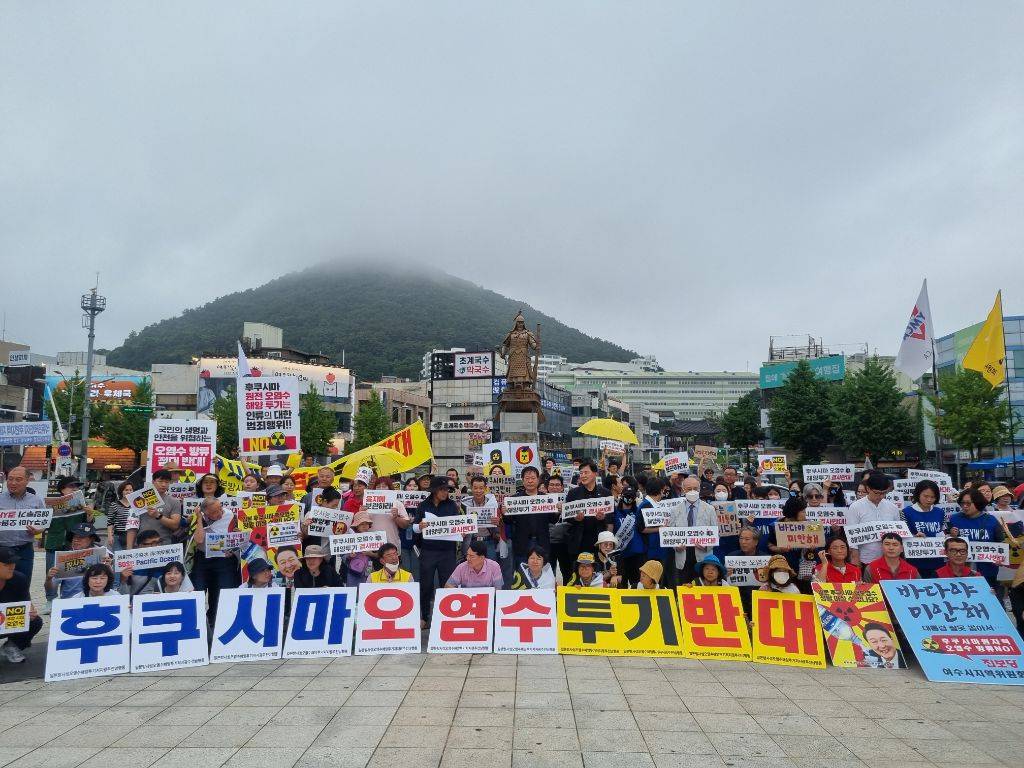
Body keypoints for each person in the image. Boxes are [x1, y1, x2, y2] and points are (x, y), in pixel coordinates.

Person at [411, 477, 461, 627]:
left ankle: (449, 617)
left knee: (448, 584)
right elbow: (413, 527)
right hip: (428, 551)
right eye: (443, 489)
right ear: (434, 490)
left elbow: (459, 524)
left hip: (447, 552)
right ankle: (424, 617)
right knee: (426, 585)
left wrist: (462, 530)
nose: (445, 492)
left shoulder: (452, 506)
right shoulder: (423, 505)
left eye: (447, 490)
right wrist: (420, 526)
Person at [190, 496, 240, 624]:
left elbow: (237, 537)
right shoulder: (198, 517)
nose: (219, 513)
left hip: (224, 559)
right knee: (198, 590)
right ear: (205, 512)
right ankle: (199, 623)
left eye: (220, 509)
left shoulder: (230, 515)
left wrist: (235, 540)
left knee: (224, 591)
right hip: (203, 558)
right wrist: (199, 519)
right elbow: (199, 540)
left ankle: (217, 622)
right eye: (214, 512)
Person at [43, 476, 94, 600]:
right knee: (52, 572)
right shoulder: (52, 504)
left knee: (72, 572)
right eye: (71, 486)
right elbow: (43, 524)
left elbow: (88, 525)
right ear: (62, 489)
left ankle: (72, 596)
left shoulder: (82, 503)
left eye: (76, 486)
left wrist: (89, 514)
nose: (75, 489)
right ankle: (50, 599)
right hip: (54, 543)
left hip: (73, 544)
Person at [949, 487, 1004, 588]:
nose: (965, 506)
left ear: (978, 503)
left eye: (968, 503)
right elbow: (945, 544)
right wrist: (951, 536)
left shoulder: (991, 520)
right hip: (960, 573)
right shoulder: (954, 519)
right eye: (962, 503)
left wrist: (1001, 558)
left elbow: (1003, 543)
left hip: (988, 572)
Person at [0, 466, 48, 581]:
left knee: (23, 583)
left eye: (18, 479)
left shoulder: (36, 500)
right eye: (10, 479)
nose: (13, 483)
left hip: (24, 550)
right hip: (2, 549)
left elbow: (43, 523)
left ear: (27, 480)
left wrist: (38, 530)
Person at [505, 466, 558, 570]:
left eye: (533, 478)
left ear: (538, 480)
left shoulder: (546, 498)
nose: (530, 481)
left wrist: (556, 512)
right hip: (522, 543)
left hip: (542, 542)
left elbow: (553, 520)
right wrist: (505, 513)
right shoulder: (514, 499)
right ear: (522, 480)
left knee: (543, 573)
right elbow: (508, 521)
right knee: (522, 574)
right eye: (527, 478)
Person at [846, 471, 900, 568]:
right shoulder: (855, 507)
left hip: (889, 560)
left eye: (884, 493)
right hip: (865, 559)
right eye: (877, 493)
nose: (880, 496)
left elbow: (898, 534)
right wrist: (855, 558)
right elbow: (852, 537)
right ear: (868, 489)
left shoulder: (893, 508)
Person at [668, 475, 716, 585]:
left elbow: (715, 534)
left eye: (695, 489)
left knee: (703, 587)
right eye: (689, 489)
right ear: (683, 490)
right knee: (684, 587)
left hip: (703, 553)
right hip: (683, 553)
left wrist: (706, 545)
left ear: (699, 490)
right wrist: (675, 545)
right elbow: (670, 533)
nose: (692, 491)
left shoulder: (709, 509)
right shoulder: (675, 510)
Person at [564, 459, 612, 562]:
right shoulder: (573, 493)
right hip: (579, 541)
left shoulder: (605, 493)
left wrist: (604, 517)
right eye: (581, 473)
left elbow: (611, 515)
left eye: (586, 472)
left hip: (599, 540)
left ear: (595, 474)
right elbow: (566, 516)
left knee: (599, 571)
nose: (583, 475)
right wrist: (575, 518)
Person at [0, 546, 43, 663]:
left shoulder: (19, 578)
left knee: (35, 621)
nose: (12, 567)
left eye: (13, 563)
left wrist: (31, 611)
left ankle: (12, 646)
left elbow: (27, 603)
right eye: (6, 564)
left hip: (6, 621)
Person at [44, 522, 108, 599]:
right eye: (74, 537)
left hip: (98, 598)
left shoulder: (103, 554)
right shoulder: (64, 557)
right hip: (70, 601)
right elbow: (50, 588)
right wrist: (48, 578)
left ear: (91, 539)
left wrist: (109, 568)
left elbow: (113, 583)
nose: (76, 540)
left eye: (81, 537)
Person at [127, 469, 183, 548]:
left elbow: (175, 525)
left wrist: (158, 516)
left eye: (167, 482)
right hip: (142, 545)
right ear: (153, 482)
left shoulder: (174, 502)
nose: (163, 485)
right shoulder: (138, 499)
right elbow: (132, 526)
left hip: (163, 544)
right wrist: (129, 549)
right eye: (160, 481)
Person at [902, 480, 946, 578]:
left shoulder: (940, 512)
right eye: (926, 496)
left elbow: (942, 532)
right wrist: (914, 537)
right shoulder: (906, 512)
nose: (929, 500)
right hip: (915, 561)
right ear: (918, 494)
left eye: (932, 497)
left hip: (937, 560)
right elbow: (902, 536)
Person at [637, 476, 675, 587]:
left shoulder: (657, 504)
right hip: (651, 550)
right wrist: (659, 529)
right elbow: (641, 528)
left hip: (659, 549)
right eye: (663, 490)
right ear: (659, 490)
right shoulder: (645, 505)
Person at [612, 482, 645, 588]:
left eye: (632, 496)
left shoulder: (639, 512)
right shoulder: (615, 512)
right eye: (627, 496)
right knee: (621, 584)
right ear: (622, 496)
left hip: (637, 553)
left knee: (637, 583)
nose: (629, 498)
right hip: (620, 554)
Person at [726, 526, 763, 616]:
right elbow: (723, 581)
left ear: (756, 542)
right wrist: (726, 575)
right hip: (737, 601)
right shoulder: (731, 557)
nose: (743, 542)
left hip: (758, 602)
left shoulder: (764, 559)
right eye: (741, 538)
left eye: (747, 539)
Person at [119, 529, 165, 597]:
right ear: (140, 546)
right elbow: (123, 596)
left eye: (159, 542)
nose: (157, 546)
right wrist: (123, 581)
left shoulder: (169, 562)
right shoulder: (130, 565)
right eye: (153, 543)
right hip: (138, 605)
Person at [106, 479, 135, 552]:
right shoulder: (114, 505)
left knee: (130, 559)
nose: (129, 492)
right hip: (118, 536)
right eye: (126, 490)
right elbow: (110, 522)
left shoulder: (137, 504)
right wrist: (110, 536)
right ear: (121, 491)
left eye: (131, 490)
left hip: (133, 536)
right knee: (118, 559)